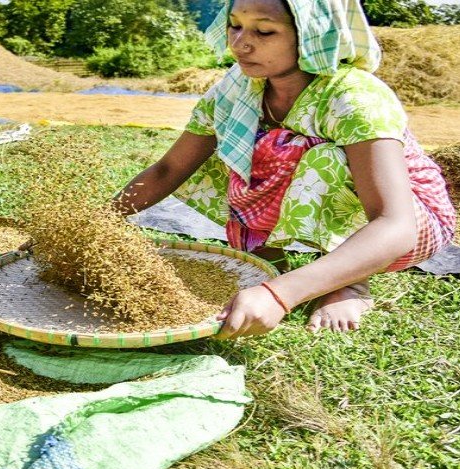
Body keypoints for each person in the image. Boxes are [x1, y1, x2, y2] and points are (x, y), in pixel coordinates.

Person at [113, 0, 456, 338]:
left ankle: (350, 284)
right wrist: (102, 219)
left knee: (321, 157)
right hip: (379, 217)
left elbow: (396, 225)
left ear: (311, 35)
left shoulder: (354, 97)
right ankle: (266, 260)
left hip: (411, 221)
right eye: (235, 25)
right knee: (236, 144)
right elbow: (170, 168)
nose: (240, 43)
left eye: (264, 31)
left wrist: (280, 295)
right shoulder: (236, 90)